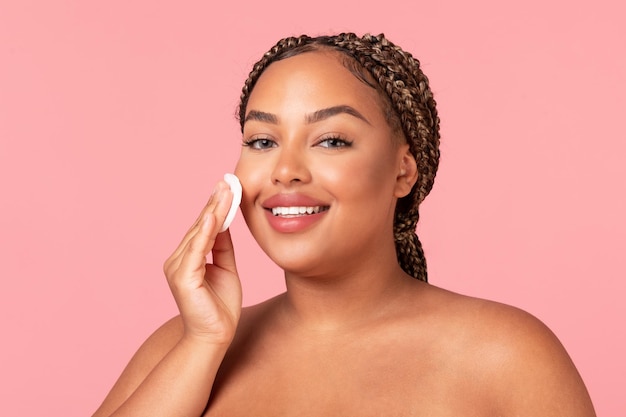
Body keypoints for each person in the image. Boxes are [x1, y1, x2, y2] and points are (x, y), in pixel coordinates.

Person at [92, 33, 596, 416]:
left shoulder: (506, 356)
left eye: (331, 140)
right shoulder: (182, 348)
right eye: (262, 141)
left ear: (403, 170)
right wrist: (201, 344)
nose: (285, 169)